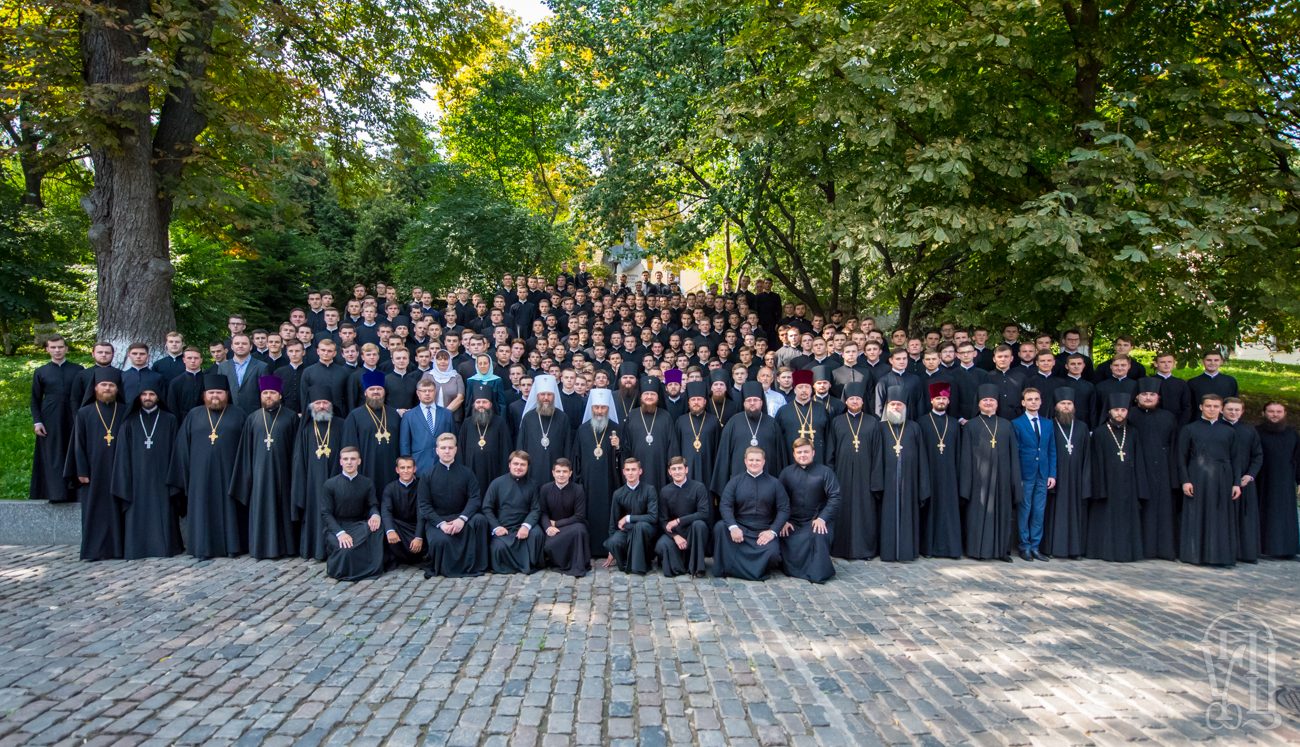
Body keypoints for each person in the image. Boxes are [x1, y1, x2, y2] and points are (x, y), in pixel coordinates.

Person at [168, 374, 248, 560]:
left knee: (230, 509)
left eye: (219, 392)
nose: (215, 396)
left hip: (230, 475)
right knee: (201, 509)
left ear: (226, 394)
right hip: (199, 477)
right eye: (211, 392)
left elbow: (246, 448)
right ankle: (202, 548)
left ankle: (232, 547)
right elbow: (182, 448)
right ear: (204, 395)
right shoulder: (193, 415)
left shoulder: (239, 414)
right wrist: (186, 476)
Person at [228, 376, 299, 559]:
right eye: (265, 393)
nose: (269, 396)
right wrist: (247, 477)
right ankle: (260, 548)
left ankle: (286, 548)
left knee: (282, 510)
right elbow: (245, 452)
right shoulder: (253, 419)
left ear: (280, 395)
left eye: (272, 393)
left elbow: (296, 451)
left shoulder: (291, 417)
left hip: (284, 475)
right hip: (258, 477)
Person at [111, 383, 183, 558]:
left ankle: (166, 547)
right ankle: (137, 548)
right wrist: (125, 478)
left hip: (163, 478)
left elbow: (177, 451)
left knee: (164, 511)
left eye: (151, 394)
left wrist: (174, 477)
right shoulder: (129, 422)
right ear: (138, 397)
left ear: (158, 397)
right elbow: (122, 454)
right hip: (137, 479)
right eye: (144, 394)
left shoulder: (170, 420)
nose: (148, 398)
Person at [65, 367, 126, 560]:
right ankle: (93, 551)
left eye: (111, 385)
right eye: (103, 385)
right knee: (94, 510)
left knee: (118, 509)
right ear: (95, 388)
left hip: (119, 469)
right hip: (93, 470)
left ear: (117, 388)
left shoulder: (125, 411)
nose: (107, 388)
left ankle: (118, 549)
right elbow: (78, 444)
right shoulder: (84, 413)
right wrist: (81, 470)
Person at [959, 384, 1022, 561]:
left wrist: (1014, 481)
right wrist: (966, 485)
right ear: (978, 404)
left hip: (1002, 478)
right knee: (977, 515)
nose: (988, 403)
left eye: (992, 400)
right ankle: (976, 550)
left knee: (1001, 515)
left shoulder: (1006, 425)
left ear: (997, 404)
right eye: (985, 400)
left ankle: (1001, 551)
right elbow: (965, 457)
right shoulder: (971, 425)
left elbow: (1013, 455)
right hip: (978, 480)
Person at [1177, 394, 1242, 566]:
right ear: (1201, 407)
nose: (1212, 409)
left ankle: (1219, 556)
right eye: (1208, 406)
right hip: (1197, 476)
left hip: (1223, 477)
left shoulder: (1229, 431)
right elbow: (1180, 457)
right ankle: (1194, 555)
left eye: (1215, 406)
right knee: (1196, 514)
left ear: (1221, 409)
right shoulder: (1189, 429)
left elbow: (1236, 459)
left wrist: (1236, 483)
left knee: (1221, 515)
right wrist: (1185, 480)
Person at [1085, 393, 1148, 561]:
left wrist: (1141, 488)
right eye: (1116, 410)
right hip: (1107, 482)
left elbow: (1139, 459)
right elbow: (1095, 461)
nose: (1119, 413)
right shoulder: (1099, 432)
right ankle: (1103, 552)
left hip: (1129, 483)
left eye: (1123, 410)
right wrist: (1098, 486)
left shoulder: (1133, 432)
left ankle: (1127, 553)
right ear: (1109, 412)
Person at [712, 447, 790, 581]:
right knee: (720, 527)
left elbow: (784, 509)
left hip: (763, 530)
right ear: (745, 461)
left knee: (773, 556)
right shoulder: (735, 482)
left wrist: (772, 532)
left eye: (758, 460)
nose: (754, 463)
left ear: (764, 462)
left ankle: (743, 569)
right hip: (740, 529)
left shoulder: (775, 483)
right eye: (751, 460)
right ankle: (729, 569)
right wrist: (733, 527)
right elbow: (725, 505)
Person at [418, 434, 490, 578]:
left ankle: (478, 565)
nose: (447, 451)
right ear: (437, 450)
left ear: (456, 450)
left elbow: (475, 498)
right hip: (438, 521)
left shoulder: (467, 473)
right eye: (443, 448)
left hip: (462, 517)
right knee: (441, 541)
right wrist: (441, 524)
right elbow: (424, 505)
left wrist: (462, 519)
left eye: (450, 448)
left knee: (480, 520)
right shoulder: (427, 475)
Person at [872, 386, 930, 562]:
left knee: (908, 516)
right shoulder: (880, 428)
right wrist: (877, 484)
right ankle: (887, 552)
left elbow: (922, 458)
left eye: (899, 404)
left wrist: (922, 485)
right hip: (887, 482)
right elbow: (876, 457)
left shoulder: (914, 427)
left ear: (905, 407)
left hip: (909, 482)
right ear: (887, 406)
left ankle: (908, 552)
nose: (896, 407)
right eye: (892, 404)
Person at [1128, 379, 1180, 560]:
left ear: (1158, 397)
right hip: (1136, 467)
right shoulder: (1130, 415)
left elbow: (1175, 446)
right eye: (1144, 394)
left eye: (1152, 395)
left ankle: (1163, 550)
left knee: (1162, 508)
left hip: (1162, 469)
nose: (1148, 398)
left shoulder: (1168, 417)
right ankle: (1140, 549)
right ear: (1137, 397)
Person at [291, 387, 343, 561]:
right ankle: (315, 549)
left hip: (336, 478)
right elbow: (300, 460)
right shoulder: (305, 430)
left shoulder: (341, 425)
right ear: (311, 406)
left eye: (325, 403)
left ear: (331, 405)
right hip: (312, 483)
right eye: (318, 403)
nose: (321, 406)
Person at [778, 439, 841, 582]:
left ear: (813, 453)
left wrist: (822, 518)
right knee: (785, 535)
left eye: (806, 451)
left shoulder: (825, 472)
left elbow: (835, 497)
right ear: (793, 454)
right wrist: (784, 520)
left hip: (816, 519)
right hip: (793, 521)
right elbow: (780, 500)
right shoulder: (786, 473)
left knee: (818, 535)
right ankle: (793, 570)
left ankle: (818, 573)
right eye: (799, 452)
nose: (803, 455)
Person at [30, 335, 83, 502]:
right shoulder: (41, 372)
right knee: (52, 454)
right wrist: (37, 421)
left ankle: (74, 492)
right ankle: (54, 493)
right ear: (47, 349)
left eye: (60, 347)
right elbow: (35, 399)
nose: (57, 350)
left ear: (66, 348)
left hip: (73, 416)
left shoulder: (78, 369)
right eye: (53, 347)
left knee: (73, 451)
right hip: (50, 418)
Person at [321, 446, 384, 581]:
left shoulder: (367, 483)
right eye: (346, 459)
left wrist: (375, 515)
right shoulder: (330, 484)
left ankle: (372, 568)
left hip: (359, 526)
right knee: (346, 551)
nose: (349, 462)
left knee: (377, 528)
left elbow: (372, 505)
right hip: (337, 527)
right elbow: (326, 514)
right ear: (340, 462)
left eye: (353, 459)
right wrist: (340, 533)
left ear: (359, 461)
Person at [711, 381, 786, 494]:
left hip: (767, 483)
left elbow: (780, 456)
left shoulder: (772, 424)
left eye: (755, 400)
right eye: (749, 400)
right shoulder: (733, 423)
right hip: (739, 483)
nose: (752, 403)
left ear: (762, 402)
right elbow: (724, 455)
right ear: (744, 403)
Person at [574, 387, 622, 559]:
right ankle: (589, 549)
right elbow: (576, 457)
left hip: (610, 482)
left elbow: (626, 459)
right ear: (591, 408)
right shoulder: (583, 430)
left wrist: (619, 447)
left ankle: (608, 548)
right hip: (588, 483)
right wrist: (578, 481)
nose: (600, 411)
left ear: (608, 408)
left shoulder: (617, 429)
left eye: (603, 407)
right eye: (596, 407)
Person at [1041, 389, 1089, 559]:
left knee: (1075, 512)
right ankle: (1051, 548)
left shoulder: (1082, 427)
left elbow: (1087, 455)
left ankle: (1075, 550)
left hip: (1076, 477)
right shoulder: (1049, 425)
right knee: (1053, 511)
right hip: (1056, 475)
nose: (1066, 407)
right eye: (1063, 404)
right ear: (1056, 406)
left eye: (1069, 404)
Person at [483, 451, 545, 573]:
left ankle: (531, 564)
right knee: (498, 547)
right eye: (515, 463)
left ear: (527, 467)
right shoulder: (497, 483)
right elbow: (487, 508)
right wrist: (496, 527)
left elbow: (536, 509)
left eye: (523, 464)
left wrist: (526, 527)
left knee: (537, 535)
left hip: (525, 524)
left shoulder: (533, 485)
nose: (518, 467)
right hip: (504, 526)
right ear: (509, 465)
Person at [1012, 388, 1055, 561]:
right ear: (1023, 402)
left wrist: (1052, 473)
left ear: (1041, 401)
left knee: (1039, 511)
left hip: (1043, 474)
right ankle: (1024, 546)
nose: (1033, 402)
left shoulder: (1048, 423)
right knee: (1025, 510)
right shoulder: (1017, 423)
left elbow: (1052, 450)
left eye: (1036, 399)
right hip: (1025, 474)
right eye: (1030, 399)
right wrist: (1017, 477)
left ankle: (1035, 546)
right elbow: (1015, 451)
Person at [920, 382, 962, 559]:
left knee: (949, 511)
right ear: (931, 400)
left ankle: (951, 549)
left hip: (950, 475)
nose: (941, 401)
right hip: (929, 473)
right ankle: (928, 549)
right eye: (938, 398)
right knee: (929, 511)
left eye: (944, 398)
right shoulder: (922, 422)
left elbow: (959, 452)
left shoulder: (954, 424)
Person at [342, 371, 401, 489]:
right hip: (366, 468)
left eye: (379, 389)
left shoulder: (394, 414)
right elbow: (349, 445)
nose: (375, 392)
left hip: (391, 469)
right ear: (365, 392)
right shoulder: (355, 416)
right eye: (371, 389)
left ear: (384, 392)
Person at [1256, 402, 1299, 558]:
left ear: (1285, 413)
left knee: (1286, 515)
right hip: (1262, 481)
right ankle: (1263, 549)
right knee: (1264, 513)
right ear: (1264, 413)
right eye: (1271, 411)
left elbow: (1297, 457)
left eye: (1278, 411)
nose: (1275, 414)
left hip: (1286, 480)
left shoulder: (1292, 433)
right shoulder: (1256, 432)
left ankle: (1288, 550)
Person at [1222, 398, 1263, 563]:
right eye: (1230, 409)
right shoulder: (1216, 428)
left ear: (1242, 411)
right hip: (1222, 480)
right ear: (1222, 410)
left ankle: (1245, 553)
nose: (1233, 412)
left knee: (1245, 518)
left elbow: (1258, 455)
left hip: (1245, 480)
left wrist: (1250, 475)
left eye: (1237, 410)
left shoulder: (1249, 430)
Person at [655, 457, 711, 577]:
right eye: (673, 469)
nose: (677, 472)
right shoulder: (665, 491)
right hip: (675, 533)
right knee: (661, 545)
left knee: (699, 524)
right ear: (669, 472)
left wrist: (679, 521)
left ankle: (698, 568)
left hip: (694, 531)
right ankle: (680, 567)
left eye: (680, 468)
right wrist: (675, 536)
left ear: (686, 470)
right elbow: (663, 520)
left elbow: (704, 513)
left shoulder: (698, 487)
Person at [619, 377, 677, 491]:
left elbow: (672, 446)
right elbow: (626, 445)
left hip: (660, 467)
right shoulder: (632, 415)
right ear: (641, 396)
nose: (649, 397)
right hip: (637, 469)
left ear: (658, 397)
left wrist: (671, 470)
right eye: (646, 394)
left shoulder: (666, 416)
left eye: (652, 394)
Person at [605, 458, 659, 574]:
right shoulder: (618, 493)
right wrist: (611, 549)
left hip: (646, 530)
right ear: (623, 472)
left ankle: (639, 566)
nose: (630, 473)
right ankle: (625, 562)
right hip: (627, 530)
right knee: (613, 542)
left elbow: (653, 517)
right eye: (627, 470)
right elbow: (613, 522)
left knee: (640, 527)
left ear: (640, 471)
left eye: (633, 469)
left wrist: (628, 518)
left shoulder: (650, 490)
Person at [539, 459, 590, 577]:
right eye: (558, 471)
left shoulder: (578, 489)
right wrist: (548, 527)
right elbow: (542, 512)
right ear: (553, 473)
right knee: (548, 545)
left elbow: (579, 516)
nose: (561, 475)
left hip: (572, 527)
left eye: (565, 471)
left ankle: (578, 566)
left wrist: (556, 524)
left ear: (570, 473)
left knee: (580, 529)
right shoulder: (545, 489)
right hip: (551, 531)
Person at [457, 384, 512, 493]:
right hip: (471, 469)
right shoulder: (467, 423)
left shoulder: (500, 422)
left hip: (494, 469)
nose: (481, 405)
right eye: (478, 402)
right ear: (473, 404)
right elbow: (460, 450)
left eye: (484, 402)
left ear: (490, 404)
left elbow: (506, 449)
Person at [673, 381, 721, 503]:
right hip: (686, 470)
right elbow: (676, 448)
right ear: (688, 402)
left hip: (708, 468)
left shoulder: (713, 421)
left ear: (705, 401)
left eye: (699, 399)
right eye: (693, 399)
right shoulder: (681, 421)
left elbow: (718, 449)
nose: (696, 402)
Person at [516, 374, 572, 476]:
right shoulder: (528, 417)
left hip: (557, 471)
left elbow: (567, 446)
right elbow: (521, 445)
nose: (546, 398)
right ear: (537, 396)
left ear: (554, 396)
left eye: (549, 394)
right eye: (542, 394)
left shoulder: (563, 417)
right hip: (532, 469)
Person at [776, 369, 833, 465]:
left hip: (818, 460)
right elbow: (779, 441)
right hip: (791, 462)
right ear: (794, 390)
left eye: (807, 387)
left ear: (811, 389)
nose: (803, 390)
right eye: (800, 387)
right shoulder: (783, 411)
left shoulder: (821, 409)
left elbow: (828, 438)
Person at [401, 378, 456, 473]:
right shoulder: (409, 416)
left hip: (443, 465)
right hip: (419, 466)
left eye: (430, 391)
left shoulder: (447, 414)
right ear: (418, 393)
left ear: (435, 392)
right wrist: (408, 468)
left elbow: (454, 440)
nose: (427, 393)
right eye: (424, 391)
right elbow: (405, 444)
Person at [381, 456, 426, 569]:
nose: (405, 471)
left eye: (409, 467)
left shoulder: (422, 486)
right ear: (397, 470)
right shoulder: (390, 488)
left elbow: (422, 512)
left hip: (417, 527)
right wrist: (390, 531)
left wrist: (419, 537)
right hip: (399, 528)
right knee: (386, 526)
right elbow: (386, 511)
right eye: (402, 468)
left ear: (414, 469)